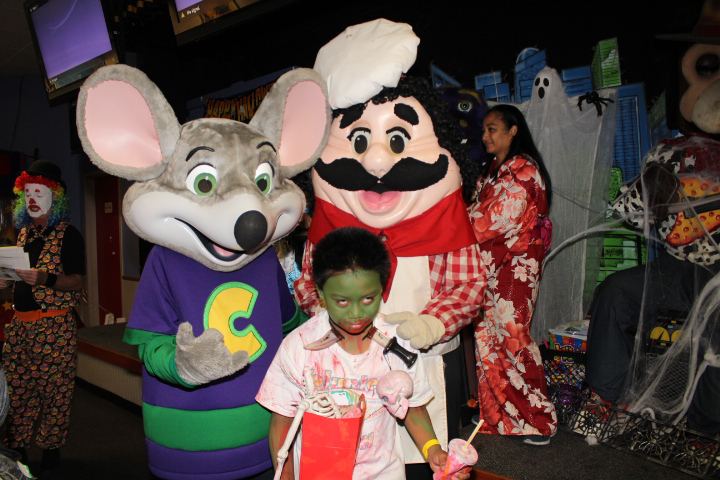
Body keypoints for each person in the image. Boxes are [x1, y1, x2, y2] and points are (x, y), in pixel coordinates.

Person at [257, 227, 471, 480]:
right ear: (321, 292)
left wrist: (433, 450)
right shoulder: (299, 346)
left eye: (368, 299)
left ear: (381, 288)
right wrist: (285, 477)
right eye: (342, 301)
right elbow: (282, 420)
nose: (356, 313)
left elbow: (412, 407)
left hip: (383, 473)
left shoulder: (398, 344)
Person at [468, 104, 557, 445]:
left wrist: (455, 226)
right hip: (490, 265)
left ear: (513, 130)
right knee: (487, 338)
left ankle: (539, 420)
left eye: (492, 128)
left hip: (516, 267)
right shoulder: (493, 169)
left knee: (513, 337)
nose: (485, 135)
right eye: (484, 129)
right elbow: (477, 210)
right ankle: (499, 415)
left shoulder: (525, 169)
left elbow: (496, 218)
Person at [0, 160, 85, 476]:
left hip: (54, 328)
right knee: (18, 390)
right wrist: (6, 281)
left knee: (55, 394)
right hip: (20, 325)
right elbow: (19, 278)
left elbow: (76, 281)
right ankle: (18, 446)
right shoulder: (23, 234)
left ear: (55, 196)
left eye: (39, 192)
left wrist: (45, 279)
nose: (32, 199)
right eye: (27, 194)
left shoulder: (68, 235)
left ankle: (51, 449)